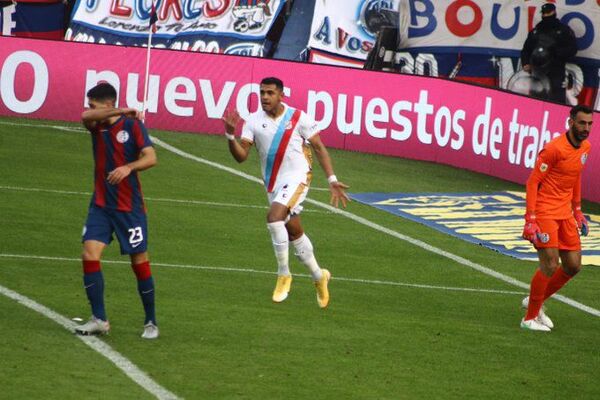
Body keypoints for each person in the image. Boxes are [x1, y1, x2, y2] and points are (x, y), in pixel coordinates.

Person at [222, 77, 349, 308]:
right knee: (293, 231)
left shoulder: (299, 117)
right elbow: (241, 157)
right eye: (262, 93)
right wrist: (230, 136)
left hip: (299, 176)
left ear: (281, 95)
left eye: (270, 93)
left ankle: (284, 274)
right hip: (273, 183)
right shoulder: (252, 121)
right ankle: (319, 276)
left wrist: (332, 179)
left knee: (274, 217)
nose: (265, 97)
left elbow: (319, 147)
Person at [75, 82, 159, 339]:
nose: (89, 109)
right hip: (101, 204)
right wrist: (122, 109)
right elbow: (85, 116)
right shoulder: (96, 126)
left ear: (107, 104)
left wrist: (128, 168)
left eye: (94, 104)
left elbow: (151, 157)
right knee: (89, 253)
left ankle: (151, 322)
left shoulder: (133, 126)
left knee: (138, 262)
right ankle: (99, 319)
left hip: (129, 207)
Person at [521, 105, 592, 331]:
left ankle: (536, 300)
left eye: (590, 124)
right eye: (582, 123)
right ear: (571, 123)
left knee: (573, 266)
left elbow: (575, 176)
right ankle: (529, 318)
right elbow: (532, 182)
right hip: (545, 212)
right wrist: (530, 219)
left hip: (565, 214)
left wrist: (578, 210)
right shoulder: (553, 149)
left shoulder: (585, 148)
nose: (586, 128)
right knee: (550, 264)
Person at [520, 3, 578, 104]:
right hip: (537, 71)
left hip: (556, 71)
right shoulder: (536, 31)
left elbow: (572, 49)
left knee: (555, 102)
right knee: (535, 101)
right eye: (544, 13)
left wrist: (555, 52)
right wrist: (525, 63)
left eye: (548, 13)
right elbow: (526, 50)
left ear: (554, 12)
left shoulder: (564, 31)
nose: (546, 15)